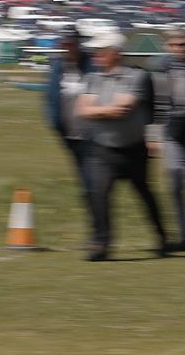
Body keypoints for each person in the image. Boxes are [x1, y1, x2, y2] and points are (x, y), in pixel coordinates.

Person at [75, 33, 169, 260]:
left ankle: (162, 237)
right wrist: (103, 111)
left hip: (133, 149)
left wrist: (97, 111)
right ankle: (101, 244)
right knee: (99, 195)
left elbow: (123, 108)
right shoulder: (92, 78)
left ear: (114, 53)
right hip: (102, 150)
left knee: (144, 194)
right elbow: (82, 111)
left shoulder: (136, 76)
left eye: (100, 52)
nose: (96, 56)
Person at [151, 29, 185, 251]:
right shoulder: (162, 68)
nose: (182, 48)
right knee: (177, 185)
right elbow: (158, 104)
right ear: (168, 47)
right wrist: (154, 136)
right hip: (173, 134)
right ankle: (184, 236)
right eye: (177, 45)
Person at [44, 27, 93, 220]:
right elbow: (51, 98)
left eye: (71, 44)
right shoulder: (58, 68)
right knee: (85, 183)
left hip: (92, 136)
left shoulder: (91, 66)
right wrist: (55, 123)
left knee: (94, 184)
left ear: (78, 44)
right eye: (65, 44)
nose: (68, 48)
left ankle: (98, 234)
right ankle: (95, 231)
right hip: (70, 136)